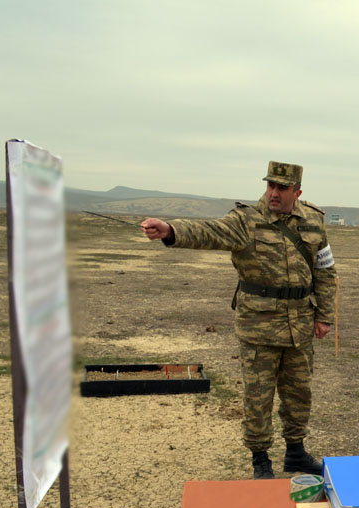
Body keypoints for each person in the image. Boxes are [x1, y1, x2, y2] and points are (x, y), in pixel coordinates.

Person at [140, 161, 337, 479]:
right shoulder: (245, 220)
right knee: (258, 396)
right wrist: (171, 230)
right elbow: (208, 232)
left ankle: (296, 452)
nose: (274, 192)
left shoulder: (314, 221)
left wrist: (325, 315)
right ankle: (261, 459)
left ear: (296, 192)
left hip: (299, 324)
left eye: (282, 188)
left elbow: (325, 270)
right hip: (259, 326)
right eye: (270, 185)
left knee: (299, 393)